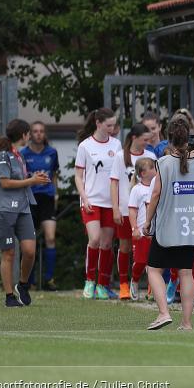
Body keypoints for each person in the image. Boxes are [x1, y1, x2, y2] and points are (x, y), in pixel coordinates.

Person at [142, 115, 194, 331]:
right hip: (192, 224)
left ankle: (164, 312)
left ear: (169, 140)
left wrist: (147, 221)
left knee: (154, 269)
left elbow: (155, 194)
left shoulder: (163, 163)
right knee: (186, 272)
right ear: (189, 139)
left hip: (168, 225)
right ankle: (186, 322)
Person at [0, 119, 50, 307]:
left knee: (29, 251)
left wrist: (35, 179)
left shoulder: (19, 156)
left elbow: (22, 180)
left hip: (22, 208)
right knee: (8, 253)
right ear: (24, 134)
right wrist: (32, 181)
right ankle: (9, 296)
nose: (30, 136)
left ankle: (22, 285)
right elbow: (5, 182)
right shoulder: (3, 156)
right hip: (4, 209)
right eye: (28, 133)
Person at [75, 108, 121, 300]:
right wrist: (84, 197)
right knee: (94, 239)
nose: (112, 128)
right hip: (92, 200)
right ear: (98, 123)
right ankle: (89, 281)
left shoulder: (117, 144)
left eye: (113, 125)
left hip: (110, 202)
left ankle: (103, 284)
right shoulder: (85, 146)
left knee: (107, 243)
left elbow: (118, 176)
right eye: (109, 125)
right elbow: (78, 176)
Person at [110, 123, 157, 300]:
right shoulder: (121, 156)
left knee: (150, 252)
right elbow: (114, 182)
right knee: (125, 246)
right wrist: (115, 208)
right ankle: (123, 283)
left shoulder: (151, 156)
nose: (147, 142)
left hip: (147, 213)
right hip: (126, 209)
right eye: (145, 139)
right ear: (134, 138)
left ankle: (152, 286)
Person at [21, 121, 60, 290]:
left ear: (45, 134)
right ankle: (29, 281)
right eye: (35, 131)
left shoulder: (52, 152)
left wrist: (56, 193)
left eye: (41, 131)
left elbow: (54, 174)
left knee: (50, 237)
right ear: (30, 134)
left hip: (47, 198)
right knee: (31, 241)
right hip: (30, 198)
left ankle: (49, 279)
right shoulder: (23, 153)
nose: (38, 134)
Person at [127, 157, 156, 301]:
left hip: (154, 232)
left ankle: (152, 290)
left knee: (154, 263)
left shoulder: (157, 187)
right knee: (140, 261)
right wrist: (135, 228)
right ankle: (135, 280)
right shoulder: (137, 190)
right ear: (143, 173)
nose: (155, 170)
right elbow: (132, 211)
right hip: (141, 233)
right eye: (152, 168)